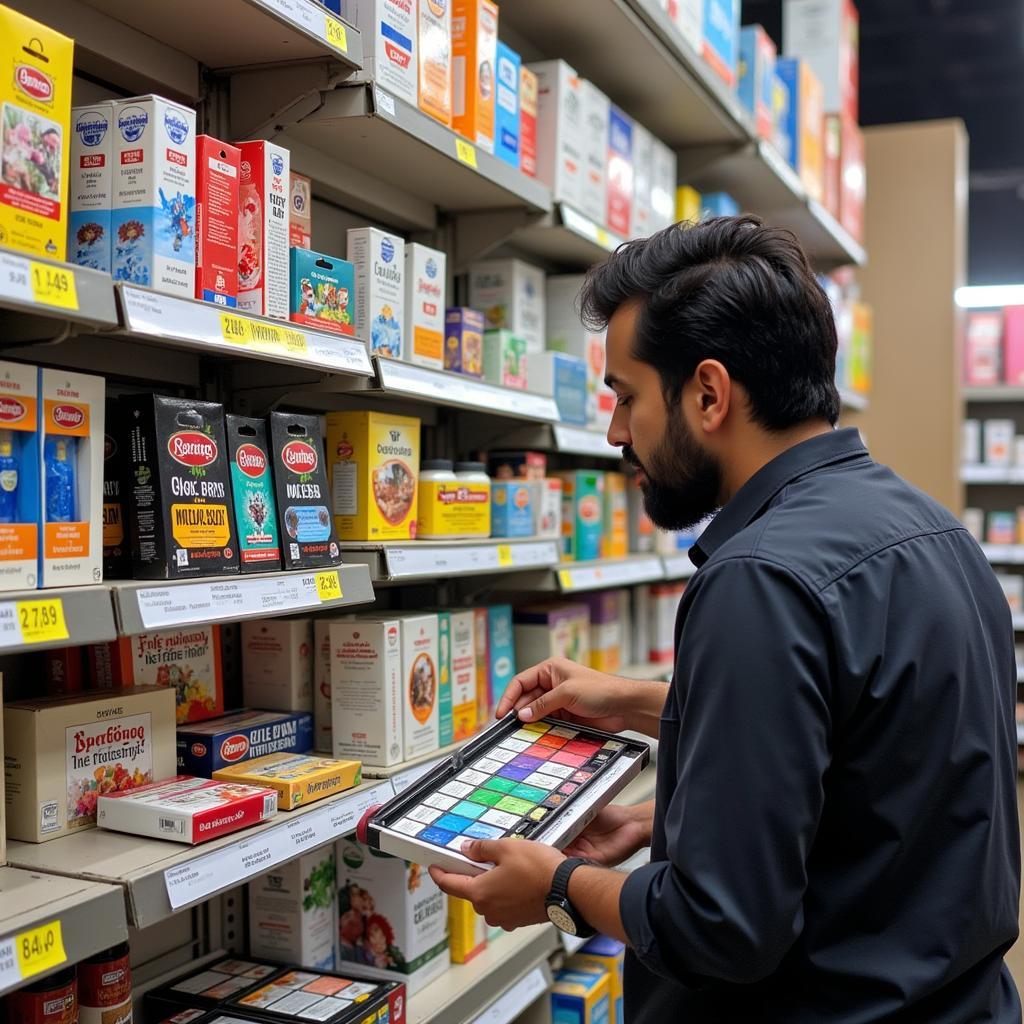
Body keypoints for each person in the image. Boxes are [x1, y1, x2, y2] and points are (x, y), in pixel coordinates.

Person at [428, 215, 1022, 1021]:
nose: (614, 434)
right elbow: (865, 749)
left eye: (627, 397)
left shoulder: (758, 579)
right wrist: (643, 736)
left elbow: (723, 930)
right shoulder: (929, 528)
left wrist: (559, 886)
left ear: (708, 394)